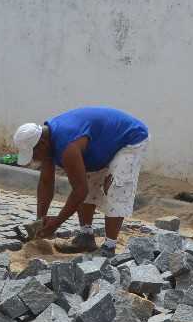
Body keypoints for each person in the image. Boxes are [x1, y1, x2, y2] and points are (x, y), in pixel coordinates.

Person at [13, 106, 149, 256]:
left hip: (129, 138)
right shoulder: (47, 142)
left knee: (115, 187)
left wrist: (57, 222)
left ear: (42, 144)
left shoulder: (68, 147)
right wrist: (40, 222)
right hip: (101, 143)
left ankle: (109, 247)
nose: (34, 159)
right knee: (87, 180)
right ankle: (86, 237)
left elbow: (80, 191)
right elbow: (46, 182)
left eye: (33, 154)